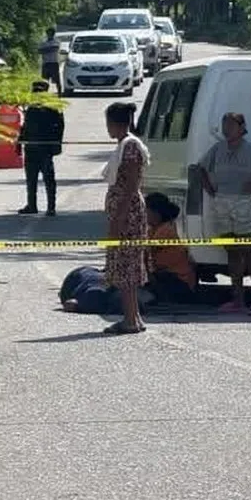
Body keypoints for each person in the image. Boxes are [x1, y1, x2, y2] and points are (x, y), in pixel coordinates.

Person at [188, 112, 251, 315]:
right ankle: (238, 300)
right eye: (224, 125)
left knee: (250, 252)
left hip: (243, 203)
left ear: (242, 128)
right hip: (222, 202)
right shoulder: (218, 149)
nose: (226, 129)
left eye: (231, 125)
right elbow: (199, 169)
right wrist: (212, 191)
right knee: (232, 252)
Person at [101, 101, 151, 334]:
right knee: (124, 265)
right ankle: (134, 317)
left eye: (109, 123)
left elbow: (131, 185)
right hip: (124, 210)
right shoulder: (123, 145)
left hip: (127, 213)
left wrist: (119, 218)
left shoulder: (130, 146)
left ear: (114, 123)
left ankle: (130, 319)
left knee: (126, 266)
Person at [16, 80, 65, 215]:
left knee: (48, 179)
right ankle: (32, 205)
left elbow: (60, 126)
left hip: (44, 148)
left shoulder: (52, 108)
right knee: (32, 179)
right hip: (32, 148)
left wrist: (57, 144)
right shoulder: (32, 107)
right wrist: (19, 142)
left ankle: (51, 207)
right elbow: (25, 126)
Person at [144, 192, 197, 304]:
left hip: (179, 282)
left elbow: (145, 251)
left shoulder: (165, 229)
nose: (143, 215)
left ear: (156, 213)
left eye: (146, 211)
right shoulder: (153, 230)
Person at [38, 28, 62, 95]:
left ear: (53, 34)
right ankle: (44, 94)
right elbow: (40, 51)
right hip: (46, 63)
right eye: (48, 33)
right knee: (45, 81)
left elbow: (55, 48)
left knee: (57, 80)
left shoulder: (56, 41)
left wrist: (45, 50)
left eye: (51, 33)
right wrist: (49, 49)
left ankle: (59, 94)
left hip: (54, 63)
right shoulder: (44, 42)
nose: (49, 35)